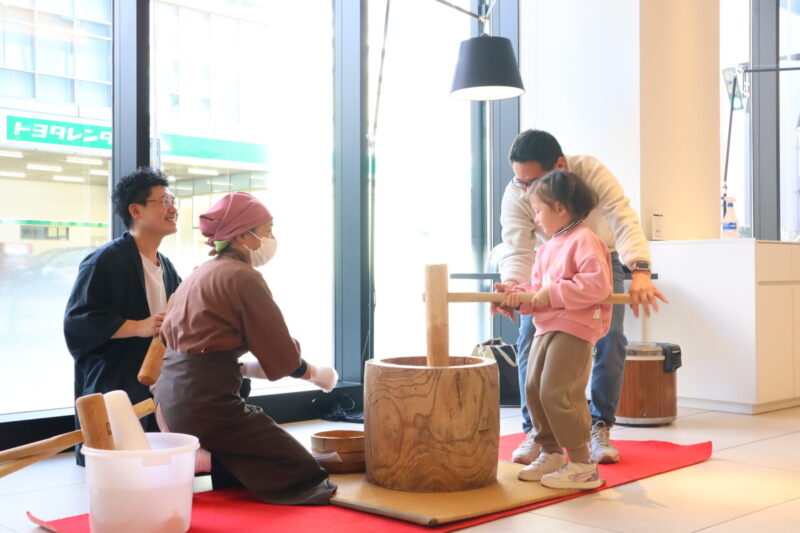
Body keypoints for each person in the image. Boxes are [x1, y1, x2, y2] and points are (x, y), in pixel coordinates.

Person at [153, 192, 338, 505]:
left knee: (258, 457)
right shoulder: (242, 277)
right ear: (242, 235)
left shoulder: (201, 271)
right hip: (206, 406)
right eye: (267, 230)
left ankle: (212, 456)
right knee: (303, 472)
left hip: (170, 399)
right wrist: (318, 375)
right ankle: (209, 457)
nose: (271, 238)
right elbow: (282, 354)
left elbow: (207, 352)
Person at [496, 130, 667, 465]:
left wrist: (640, 269)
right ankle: (537, 432)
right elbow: (517, 247)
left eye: (532, 183)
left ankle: (599, 425)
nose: (526, 191)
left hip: (600, 259)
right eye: (520, 182)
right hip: (551, 262)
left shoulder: (590, 172)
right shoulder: (516, 193)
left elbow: (622, 217)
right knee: (529, 337)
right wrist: (512, 290)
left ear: (559, 166)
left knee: (610, 337)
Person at [496, 170, 611, 489]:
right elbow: (538, 287)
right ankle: (550, 452)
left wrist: (551, 293)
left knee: (557, 391)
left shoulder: (585, 240)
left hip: (576, 326)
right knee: (534, 388)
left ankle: (582, 463)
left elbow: (597, 285)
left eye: (538, 210)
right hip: (546, 326)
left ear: (559, 208)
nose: (535, 218)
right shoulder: (547, 247)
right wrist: (517, 295)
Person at [64, 167, 180, 465]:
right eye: (163, 202)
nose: (173, 209)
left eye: (172, 201)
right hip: (116, 375)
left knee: (152, 463)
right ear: (136, 210)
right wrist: (139, 326)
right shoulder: (105, 260)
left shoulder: (166, 265)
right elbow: (78, 322)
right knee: (116, 463)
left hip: (154, 378)